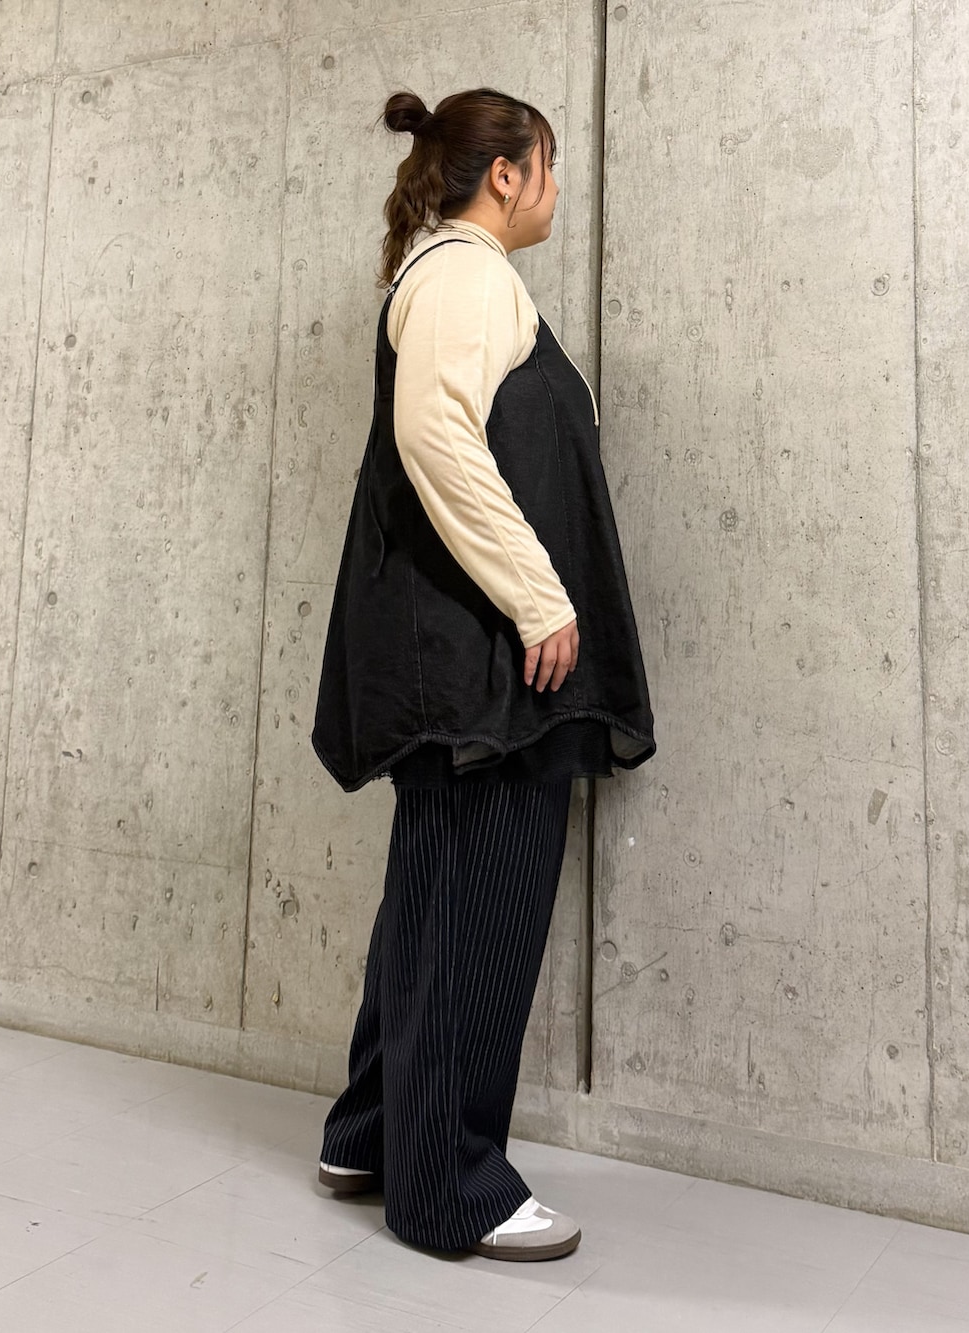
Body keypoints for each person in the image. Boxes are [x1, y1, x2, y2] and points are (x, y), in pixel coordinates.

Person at [311, 87, 655, 1262]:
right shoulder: (466, 274)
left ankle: (371, 1134)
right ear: (504, 174)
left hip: (454, 661)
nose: (556, 187)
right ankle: (449, 1187)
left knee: (431, 902)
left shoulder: (451, 273)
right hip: (484, 667)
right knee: (481, 909)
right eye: (547, 164)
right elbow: (435, 435)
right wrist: (540, 595)